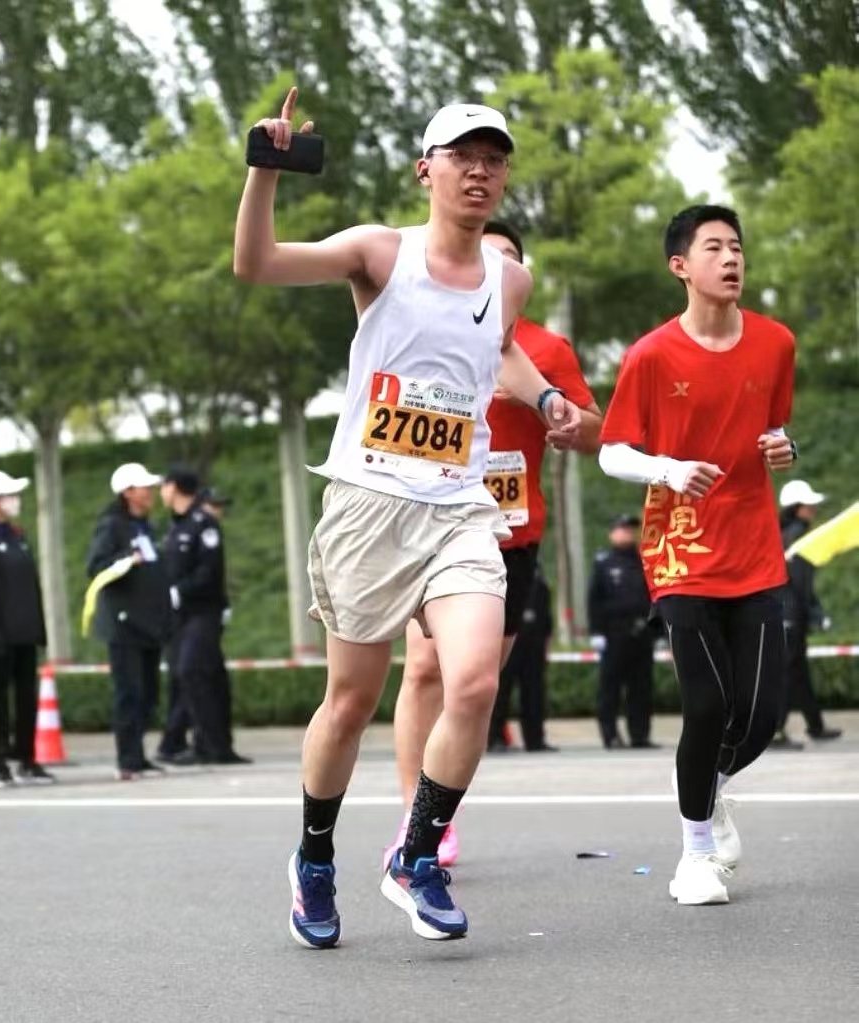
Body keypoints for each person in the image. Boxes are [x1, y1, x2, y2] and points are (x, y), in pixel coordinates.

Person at [234, 89, 583, 946]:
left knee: (473, 682)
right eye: (463, 157)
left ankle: (415, 855)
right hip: (371, 502)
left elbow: (501, 347)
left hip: (459, 506)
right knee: (351, 701)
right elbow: (258, 262)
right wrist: (265, 170)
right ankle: (315, 858)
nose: (481, 172)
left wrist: (545, 397)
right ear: (427, 170)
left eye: (494, 159)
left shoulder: (510, 278)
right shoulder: (379, 252)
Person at [384, 220, 602, 868]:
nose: (495, 269)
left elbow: (595, 428)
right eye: (485, 257)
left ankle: (438, 805)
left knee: (473, 684)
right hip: (432, 523)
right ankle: (414, 817)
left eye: (508, 260)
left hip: (509, 533)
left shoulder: (545, 349)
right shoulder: (426, 327)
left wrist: (548, 408)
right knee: (423, 668)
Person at [598, 204, 796, 906]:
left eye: (736, 246)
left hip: (754, 545)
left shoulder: (776, 343)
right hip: (679, 546)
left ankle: (705, 789)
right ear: (680, 265)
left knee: (761, 714)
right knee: (707, 703)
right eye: (714, 247)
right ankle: (695, 854)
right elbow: (612, 451)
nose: (731, 258)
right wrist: (669, 469)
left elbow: (776, 429)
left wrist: (785, 446)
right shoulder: (651, 354)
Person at [158, 467, 250, 766]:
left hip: (203, 612)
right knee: (197, 674)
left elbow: (209, 571)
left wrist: (179, 591)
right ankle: (206, 745)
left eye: (163, 485)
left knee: (193, 670)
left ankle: (209, 745)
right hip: (179, 616)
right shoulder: (175, 526)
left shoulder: (203, 523)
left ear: (173, 487)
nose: (161, 492)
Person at [0, 470, 53, 788]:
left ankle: (27, 758)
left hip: (24, 633)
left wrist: (39, 629)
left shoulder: (18, 536)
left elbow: (31, 586)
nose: (16, 500)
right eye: (9, 495)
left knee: (27, 698)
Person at [86, 463, 171, 781]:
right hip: (123, 625)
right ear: (127, 492)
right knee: (129, 693)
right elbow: (95, 566)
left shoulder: (146, 526)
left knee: (148, 693)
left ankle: (140, 756)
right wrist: (123, 562)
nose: (150, 493)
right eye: (144, 488)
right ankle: (128, 759)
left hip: (148, 624)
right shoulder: (112, 526)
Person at [772, 479, 842, 748]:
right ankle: (774, 732)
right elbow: (800, 582)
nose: (813, 508)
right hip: (790, 611)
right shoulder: (798, 535)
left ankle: (816, 726)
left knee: (797, 671)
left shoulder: (784, 532)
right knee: (787, 673)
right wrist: (815, 612)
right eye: (808, 504)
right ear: (795, 508)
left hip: (785, 610)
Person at [587, 513, 658, 750]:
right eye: (623, 528)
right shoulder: (604, 563)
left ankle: (640, 735)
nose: (628, 532)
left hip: (642, 633)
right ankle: (610, 735)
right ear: (612, 533)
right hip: (614, 634)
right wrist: (596, 632)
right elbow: (594, 600)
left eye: (631, 529)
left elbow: (654, 597)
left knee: (641, 687)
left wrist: (658, 631)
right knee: (610, 688)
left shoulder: (645, 561)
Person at [488, 559, 555, 753]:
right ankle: (496, 738)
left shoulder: (537, 572)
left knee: (534, 692)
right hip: (508, 637)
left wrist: (546, 640)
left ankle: (535, 739)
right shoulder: (499, 567)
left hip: (534, 641)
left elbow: (546, 610)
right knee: (502, 691)